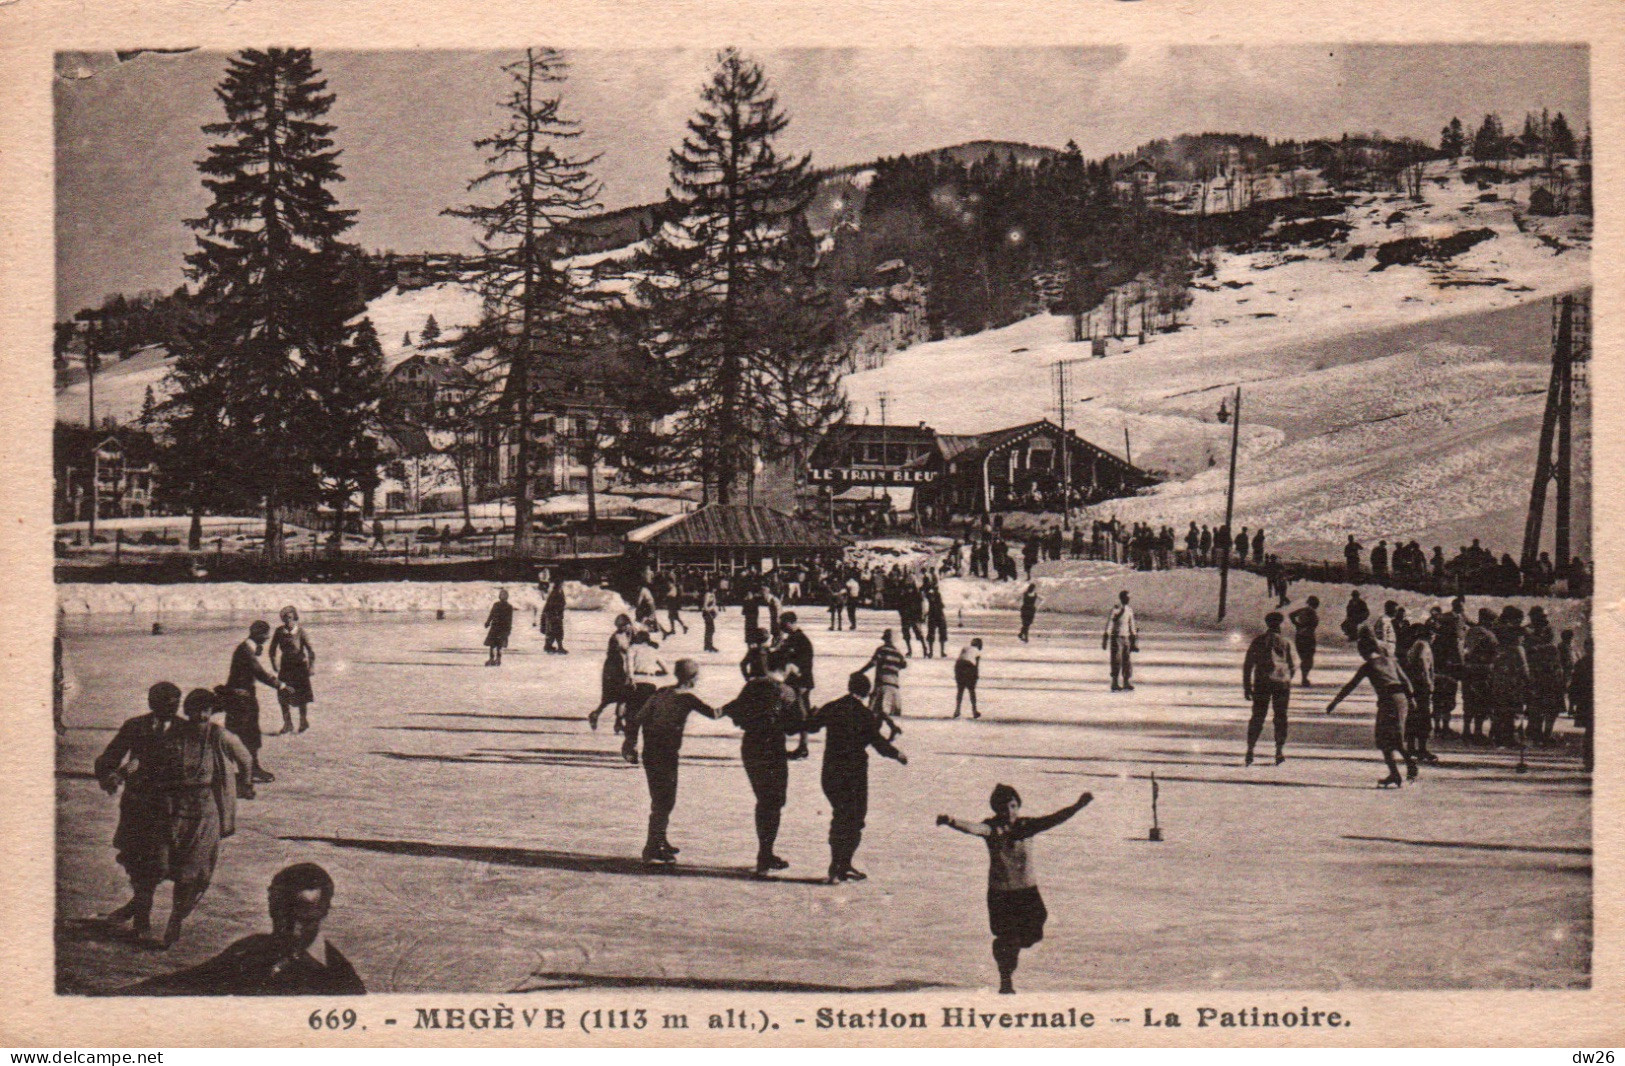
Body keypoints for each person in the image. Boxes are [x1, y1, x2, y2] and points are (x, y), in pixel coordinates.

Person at [937, 786, 1093, 994]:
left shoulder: (1026, 826)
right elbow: (975, 828)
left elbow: (1054, 819)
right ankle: (1005, 979)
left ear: (1018, 806)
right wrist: (952, 821)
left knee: (1032, 935)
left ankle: (1007, 953)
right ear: (996, 809)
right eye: (1003, 807)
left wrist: (1078, 806)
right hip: (1001, 895)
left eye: (1012, 806)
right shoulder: (992, 828)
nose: (1009, 812)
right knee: (1008, 939)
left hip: (1028, 893)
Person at [128, 863, 364, 995]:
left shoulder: (340, 981)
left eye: (304, 918)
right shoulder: (251, 950)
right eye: (282, 916)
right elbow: (188, 982)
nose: (291, 929)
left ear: (324, 910)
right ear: (270, 905)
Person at [95, 682, 184, 940]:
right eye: (166, 703)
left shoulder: (185, 730)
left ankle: (138, 910)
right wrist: (111, 775)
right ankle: (141, 915)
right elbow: (110, 757)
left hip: (168, 808)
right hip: (137, 806)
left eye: (175, 703)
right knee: (136, 861)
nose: (172, 709)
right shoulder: (135, 726)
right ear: (151, 703)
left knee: (159, 863)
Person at [805, 673, 907, 883]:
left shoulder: (833, 706)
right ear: (867, 692)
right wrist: (897, 753)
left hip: (831, 772)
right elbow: (878, 743)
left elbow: (811, 726)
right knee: (855, 819)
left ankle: (837, 865)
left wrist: (813, 713)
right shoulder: (865, 715)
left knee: (840, 816)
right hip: (854, 775)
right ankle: (843, 864)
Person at [621, 659, 724, 864]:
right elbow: (714, 713)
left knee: (661, 798)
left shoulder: (660, 692)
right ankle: (652, 848)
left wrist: (630, 743)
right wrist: (741, 704)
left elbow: (637, 719)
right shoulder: (688, 699)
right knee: (664, 800)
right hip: (665, 754)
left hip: (650, 752)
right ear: (693, 678)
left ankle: (660, 839)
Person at [721, 658, 808, 876]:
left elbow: (736, 716)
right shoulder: (786, 691)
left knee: (764, 799)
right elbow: (793, 727)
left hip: (751, 745)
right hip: (772, 746)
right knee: (774, 800)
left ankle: (765, 853)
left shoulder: (751, 686)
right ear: (786, 668)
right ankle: (765, 856)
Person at [224, 621, 287, 783]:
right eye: (266, 634)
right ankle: (249, 769)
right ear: (258, 634)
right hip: (241, 699)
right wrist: (279, 685)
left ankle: (239, 767)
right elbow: (259, 672)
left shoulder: (246, 648)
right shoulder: (245, 650)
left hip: (241, 697)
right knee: (247, 732)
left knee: (241, 732)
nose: (267, 638)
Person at [1360, 630, 1418, 787]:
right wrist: (1411, 699)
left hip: (1388, 701)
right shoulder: (1391, 661)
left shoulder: (1368, 666)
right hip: (1401, 700)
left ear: (1364, 651)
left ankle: (1403, 768)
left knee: (1384, 739)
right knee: (1395, 738)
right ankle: (1400, 770)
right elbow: (1406, 681)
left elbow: (1349, 686)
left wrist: (1335, 703)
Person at [1242, 612, 1295, 766]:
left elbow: (1248, 664)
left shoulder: (1258, 641)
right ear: (1279, 625)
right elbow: (1291, 666)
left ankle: (1250, 750)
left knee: (1257, 716)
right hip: (1281, 683)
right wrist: (1286, 678)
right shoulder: (1285, 642)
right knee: (1280, 716)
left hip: (1261, 683)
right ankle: (1279, 751)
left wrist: (1247, 686)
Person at [269, 606, 316, 735]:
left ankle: (303, 721)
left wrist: (311, 666)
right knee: (283, 695)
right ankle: (287, 723)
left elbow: (311, 651)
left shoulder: (301, 632)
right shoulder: (279, 632)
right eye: (285, 618)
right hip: (285, 667)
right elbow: (272, 650)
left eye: (290, 618)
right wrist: (274, 664)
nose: (287, 621)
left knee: (302, 696)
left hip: (300, 667)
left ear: (294, 618)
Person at [856, 629, 908, 738]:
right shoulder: (898, 653)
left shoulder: (881, 650)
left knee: (875, 710)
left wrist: (859, 672)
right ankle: (876, 733)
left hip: (881, 683)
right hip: (894, 685)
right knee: (881, 711)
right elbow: (904, 665)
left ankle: (893, 728)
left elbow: (872, 663)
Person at [588, 614, 635, 732]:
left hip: (615, 668)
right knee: (614, 697)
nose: (629, 627)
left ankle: (617, 722)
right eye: (627, 625)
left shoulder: (624, 635)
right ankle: (598, 714)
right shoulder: (618, 637)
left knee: (621, 697)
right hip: (614, 669)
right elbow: (627, 651)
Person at [623, 629, 667, 747]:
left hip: (636, 683)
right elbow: (666, 670)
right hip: (650, 684)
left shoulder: (632, 649)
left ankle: (632, 745)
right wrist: (655, 673)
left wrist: (631, 678)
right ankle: (649, 747)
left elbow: (629, 666)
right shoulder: (653, 650)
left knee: (632, 716)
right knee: (648, 716)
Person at [1403, 624, 1438, 765]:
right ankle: (1421, 749)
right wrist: (1429, 681)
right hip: (1421, 685)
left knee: (1413, 715)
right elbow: (1423, 662)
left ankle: (1411, 748)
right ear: (1430, 634)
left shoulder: (1416, 644)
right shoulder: (1424, 645)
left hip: (1414, 684)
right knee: (1423, 716)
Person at [772, 612, 816, 718]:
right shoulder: (792, 638)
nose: (780, 626)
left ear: (790, 623)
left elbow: (804, 662)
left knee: (802, 714)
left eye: (783, 623)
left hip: (800, 680)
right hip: (793, 680)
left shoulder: (800, 639)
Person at [1103, 590, 1138, 692]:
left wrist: (1134, 638)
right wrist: (1106, 636)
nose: (1128, 599)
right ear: (1122, 598)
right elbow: (1110, 623)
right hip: (1116, 637)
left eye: (1129, 597)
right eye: (1126, 597)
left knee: (1127, 661)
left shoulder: (1129, 610)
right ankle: (1115, 682)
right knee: (1116, 660)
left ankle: (1126, 682)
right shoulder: (1116, 609)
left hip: (1126, 637)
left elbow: (1132, 625)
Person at [1572, 636, 1593, 772]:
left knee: (1589, 731)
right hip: (1591, 701)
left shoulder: (1581, 663)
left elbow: (1575, 684)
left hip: (1586, 701)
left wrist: (1573, 701)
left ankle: (1588, 758)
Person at [1287, 596, 1320, 686]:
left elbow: (1291, 615)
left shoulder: (1303, 610)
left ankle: (1301, 677)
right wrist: (1299, 625)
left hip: (1299, 636)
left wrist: (1297, 624)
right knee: (1308, 659)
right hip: (1308, 637)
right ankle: (1304, 678)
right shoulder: (1311, 612)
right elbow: (1311, 624)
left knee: (1303, 658)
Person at [483, 590, 514, 667]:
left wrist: (509, 629)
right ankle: (492, 658)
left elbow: (510, 619)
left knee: (499, 645)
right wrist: (488, 622)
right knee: (492, 644)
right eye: (501, 595)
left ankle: (498, 658)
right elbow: (492, 614)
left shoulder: (509, 607)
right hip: (495, 627)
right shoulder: (496, 605)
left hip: (502, 628)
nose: (502, 597)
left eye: (504, 595)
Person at [955, 638, 984, 719]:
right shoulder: (977, 652)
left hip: (958, 665)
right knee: (971, 690)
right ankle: (974, 711)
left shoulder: (964, 648)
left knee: (960, 689)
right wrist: (976, 675)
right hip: (969, 666)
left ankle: (957, 710)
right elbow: (976, 666)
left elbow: (961, 657)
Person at [539, 581, 568, 654]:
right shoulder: (555, 593)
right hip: (553, 616)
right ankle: (551, 646)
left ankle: (552, 646)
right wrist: (556, 614)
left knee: (555, 631)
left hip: (555, 615)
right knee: (554, 631)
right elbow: (552, 605)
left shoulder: (558, 592)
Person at [925, 581, 950, 658]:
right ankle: (934, 652)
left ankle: (938, 652)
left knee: (939, 633)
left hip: (937, 615)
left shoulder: (936, 595)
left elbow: (942, 605)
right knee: (933, 634)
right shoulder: (930, 594)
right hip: (935, 615)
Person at [700, 585, 721, 652]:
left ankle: (707, 645)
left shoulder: (712, 594)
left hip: (710, 613)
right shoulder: (708, 594)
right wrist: (711, 608)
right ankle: (709, 645)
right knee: (710, 629)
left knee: (710, 629)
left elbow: (714, 604)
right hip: (707, 613)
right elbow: (705, 606)